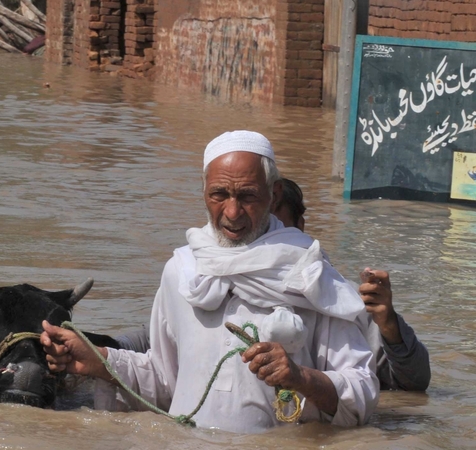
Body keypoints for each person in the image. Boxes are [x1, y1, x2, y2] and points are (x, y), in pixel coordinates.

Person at [41, 130, 378, 433]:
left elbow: (362, 393)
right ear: (203, 191)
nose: (231, 212)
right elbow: (164, 382)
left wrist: (300, 377)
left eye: (247, 196)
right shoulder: (183, 271)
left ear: (274, 195)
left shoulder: (309, 273)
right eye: (219, 195)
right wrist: (100, 360)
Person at [275, 178, 430, 391]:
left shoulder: (341, 300)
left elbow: (414, 384)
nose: (266, 242)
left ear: (299, 227)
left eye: (276, 229)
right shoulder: (216, 291)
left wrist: (388, 323)